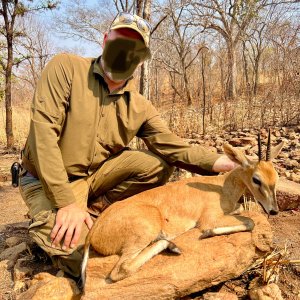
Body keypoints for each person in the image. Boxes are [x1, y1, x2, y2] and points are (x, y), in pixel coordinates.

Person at [19, 12, 236, 277]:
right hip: (44, 178)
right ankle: (55, 220)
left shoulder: (140, 106)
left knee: (156, 164)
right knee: (81, 251)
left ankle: (99, 212)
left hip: (93, 177)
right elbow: (43, 136)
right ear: (105, 40)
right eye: (120, 41)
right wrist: (66, 203)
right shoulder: (65, 68)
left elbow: (174, 147)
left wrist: (224, 163)